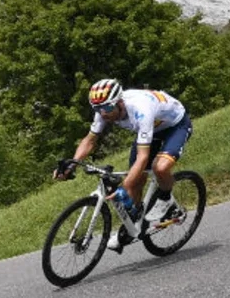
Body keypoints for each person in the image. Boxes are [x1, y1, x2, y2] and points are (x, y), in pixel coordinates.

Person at [55, 78, 193, 251]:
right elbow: (90, 141)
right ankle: (133, 225)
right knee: (136, 181)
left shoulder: (140, 109)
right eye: (97, 109)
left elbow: (142, 158)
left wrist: (125, 186)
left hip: (175, 126)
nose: (103, 113)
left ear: (119, 102)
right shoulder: (104, 109)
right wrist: (71, 165)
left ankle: (166, 198)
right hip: (151, 130)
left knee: (159, 167)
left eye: (107, 108)